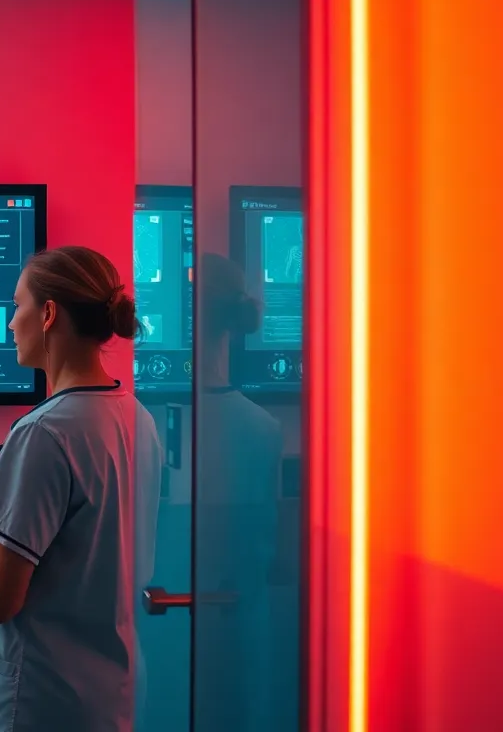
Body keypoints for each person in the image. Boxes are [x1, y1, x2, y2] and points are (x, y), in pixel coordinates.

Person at [0, 245, 163, 732]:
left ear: (48, 314)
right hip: (109, 697)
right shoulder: (137, 418)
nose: (9, 323)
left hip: (36, 703)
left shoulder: (45, 434)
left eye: (17, 306)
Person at [191, 252, 285, 731]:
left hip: (167, 622)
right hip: (245, 626)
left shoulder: (154, 428)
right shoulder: (264, 429)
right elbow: (266, 549)